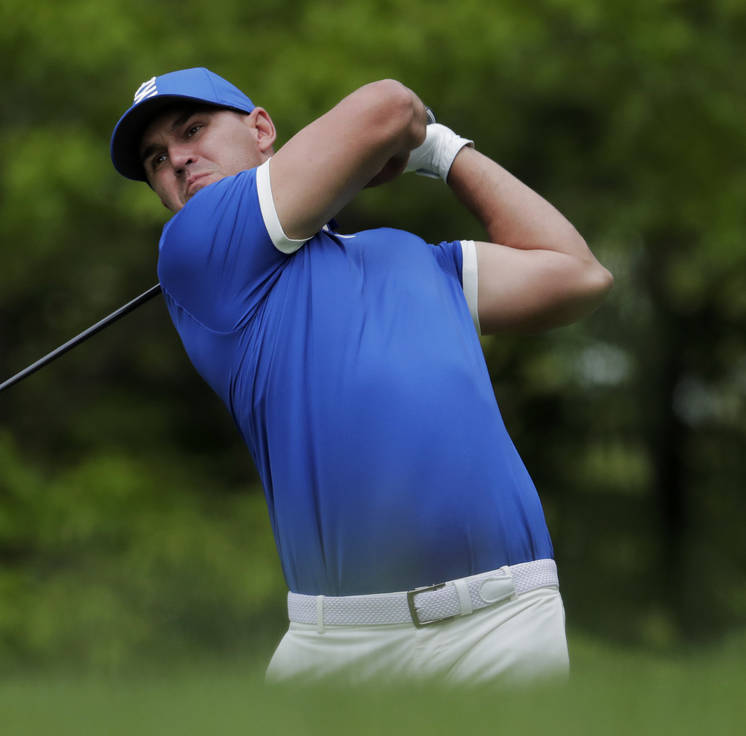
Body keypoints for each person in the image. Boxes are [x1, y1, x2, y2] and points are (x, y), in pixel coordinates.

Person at [109, 67, 612, 684]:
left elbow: (577, 275)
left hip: (505, 621)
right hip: (343, 642)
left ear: (261, 129)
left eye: (193, 129)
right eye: (157, 159)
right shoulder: (196, 248)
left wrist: (444, 152)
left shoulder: (407, 254)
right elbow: (390, 106)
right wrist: (400, 139)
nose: (180, 160)